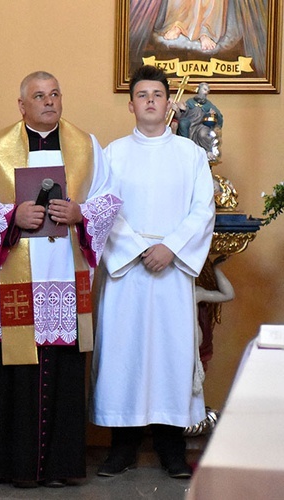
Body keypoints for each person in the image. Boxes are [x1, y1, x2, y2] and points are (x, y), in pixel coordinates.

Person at [0, 71, 121, 488]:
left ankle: (61, 467)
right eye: (38, 96)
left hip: (64, 277)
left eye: (54, 94)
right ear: (22, 105)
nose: (49, 102)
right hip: (16, 274)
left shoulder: (86, 144)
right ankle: (10, 465)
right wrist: (13, 216)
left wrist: (81, 215)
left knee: (62, 372)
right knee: (14, 372)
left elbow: (110, 196)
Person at [91, 65, 215, 479]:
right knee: (124, 353)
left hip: (172, 272)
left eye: (157, 95)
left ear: (168, 103)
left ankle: (171, 448)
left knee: (170, 355)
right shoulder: (112, 155)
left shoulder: (191, 155)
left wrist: (170, 248)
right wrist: (140, 249)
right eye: (142, 95)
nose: (149, 101)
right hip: (127, 273)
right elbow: (102, 208)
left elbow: (203, 211)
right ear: (130, 105)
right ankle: (121, 448)